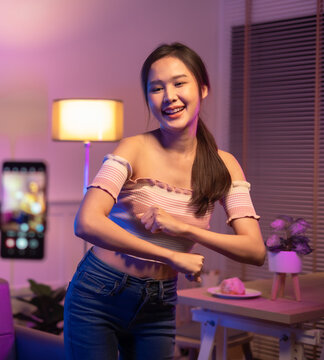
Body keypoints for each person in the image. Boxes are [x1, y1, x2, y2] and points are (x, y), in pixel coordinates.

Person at [63, 42, 266, 360]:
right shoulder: (132, 148)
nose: (169, 96)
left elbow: (255, 250)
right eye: (156, 88)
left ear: (203, 88)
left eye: (179, 83)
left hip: (159, 303)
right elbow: (86, 222)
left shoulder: (224, 165)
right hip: (98, 293)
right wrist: (171, 257)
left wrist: (184, 230)